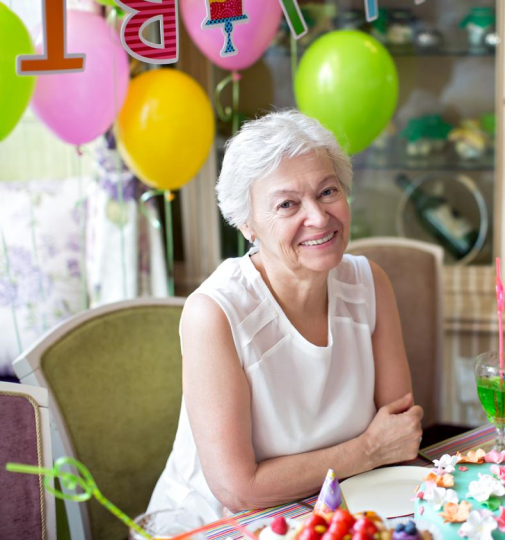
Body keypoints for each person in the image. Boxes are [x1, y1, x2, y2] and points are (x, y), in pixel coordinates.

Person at [148, 110, 423, 522]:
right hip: (219, 524)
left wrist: (377, 450)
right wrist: (367, 449)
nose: (317, 216)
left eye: (327, 191)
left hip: (336, 508)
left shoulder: (369, 283)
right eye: (287, 203)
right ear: (247, 224)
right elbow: (239, 488)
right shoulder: (214, 314)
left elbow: (399, 436)